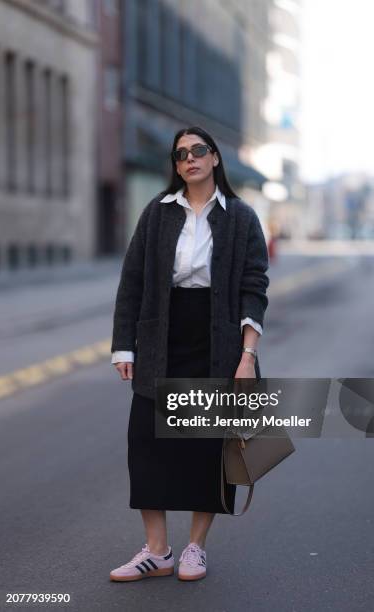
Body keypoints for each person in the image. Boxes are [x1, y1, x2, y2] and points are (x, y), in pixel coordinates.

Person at [109, 126, 269, 582]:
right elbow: (132, 283)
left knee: (207, 448)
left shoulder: (239, 217)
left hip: (215, 339)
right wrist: (125, 344)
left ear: (215, 158)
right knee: (146, 441)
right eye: (180, 154)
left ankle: (196, 547)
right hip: (162, 336)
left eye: (199, 151)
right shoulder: (157, 214)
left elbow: (253, 287)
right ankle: (157, 551)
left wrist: (247, 354)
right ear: (175, 166)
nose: (190, 159)